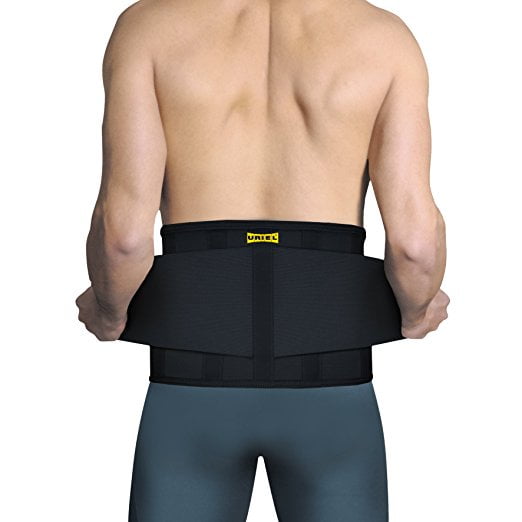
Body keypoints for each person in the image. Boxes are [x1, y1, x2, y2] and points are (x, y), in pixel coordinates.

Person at [75, 0, 449, 520]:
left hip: (191, 392)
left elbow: (122, 238)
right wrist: (416, 310)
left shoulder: (148, 28)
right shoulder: (383, 39)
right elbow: (415, 246)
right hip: (332, 396)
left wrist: (110, 311)